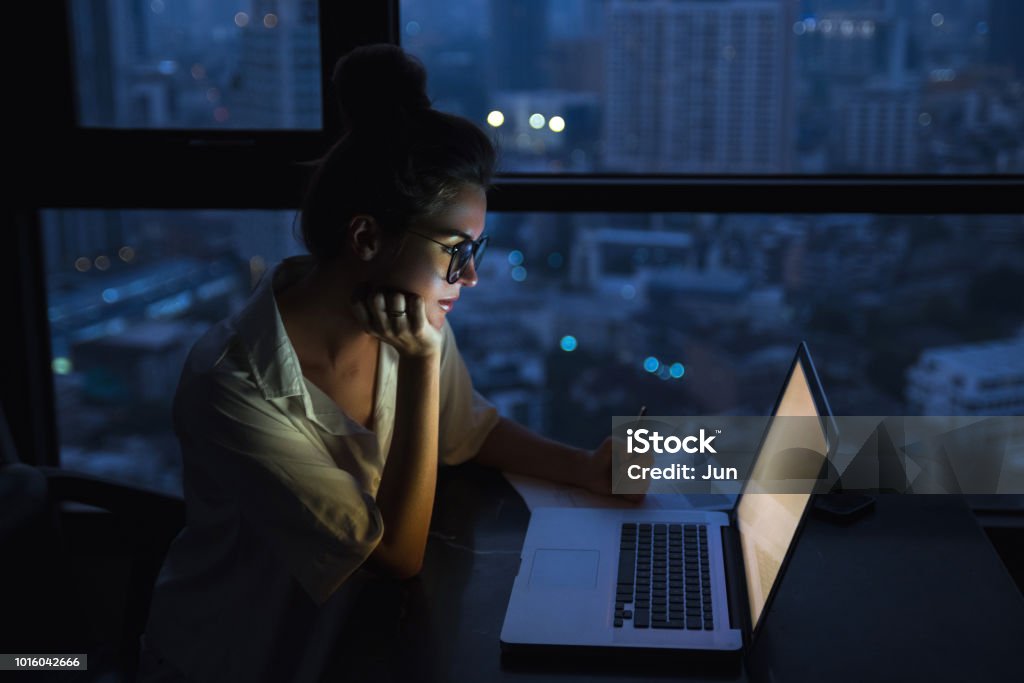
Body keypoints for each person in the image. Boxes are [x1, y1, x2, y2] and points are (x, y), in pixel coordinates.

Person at [138, 43, 631, 683]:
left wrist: (586, 469)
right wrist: (422, 365)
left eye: (477, 248)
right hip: (244, 656)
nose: (472, 276)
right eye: (456, 250)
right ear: (367, 237)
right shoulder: (233, 384)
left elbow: (463, 431)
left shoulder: (411, 312)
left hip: (358, 636)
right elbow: (394, 554)